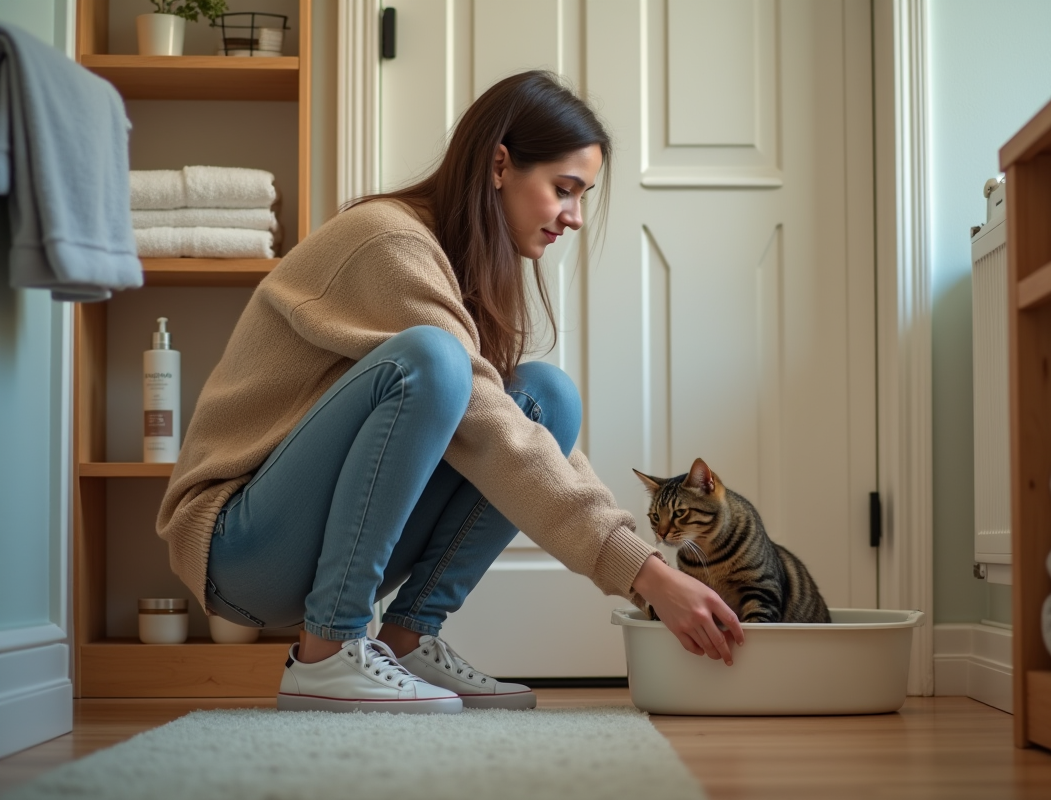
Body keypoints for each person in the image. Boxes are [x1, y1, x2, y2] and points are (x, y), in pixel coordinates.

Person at [157, 70, 744, 715]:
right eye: (564, 190)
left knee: (546, 397)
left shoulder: (463, 261)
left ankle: (407, 640)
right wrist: (647, 575)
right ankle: (327, 653)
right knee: (434, 362)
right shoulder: (388, 241)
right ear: (499, 164)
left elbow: (518, 432)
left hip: (302, 542)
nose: (575, 217)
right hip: (239, 546)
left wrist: (637, 564)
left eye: (582, 196)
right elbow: (488, 420)